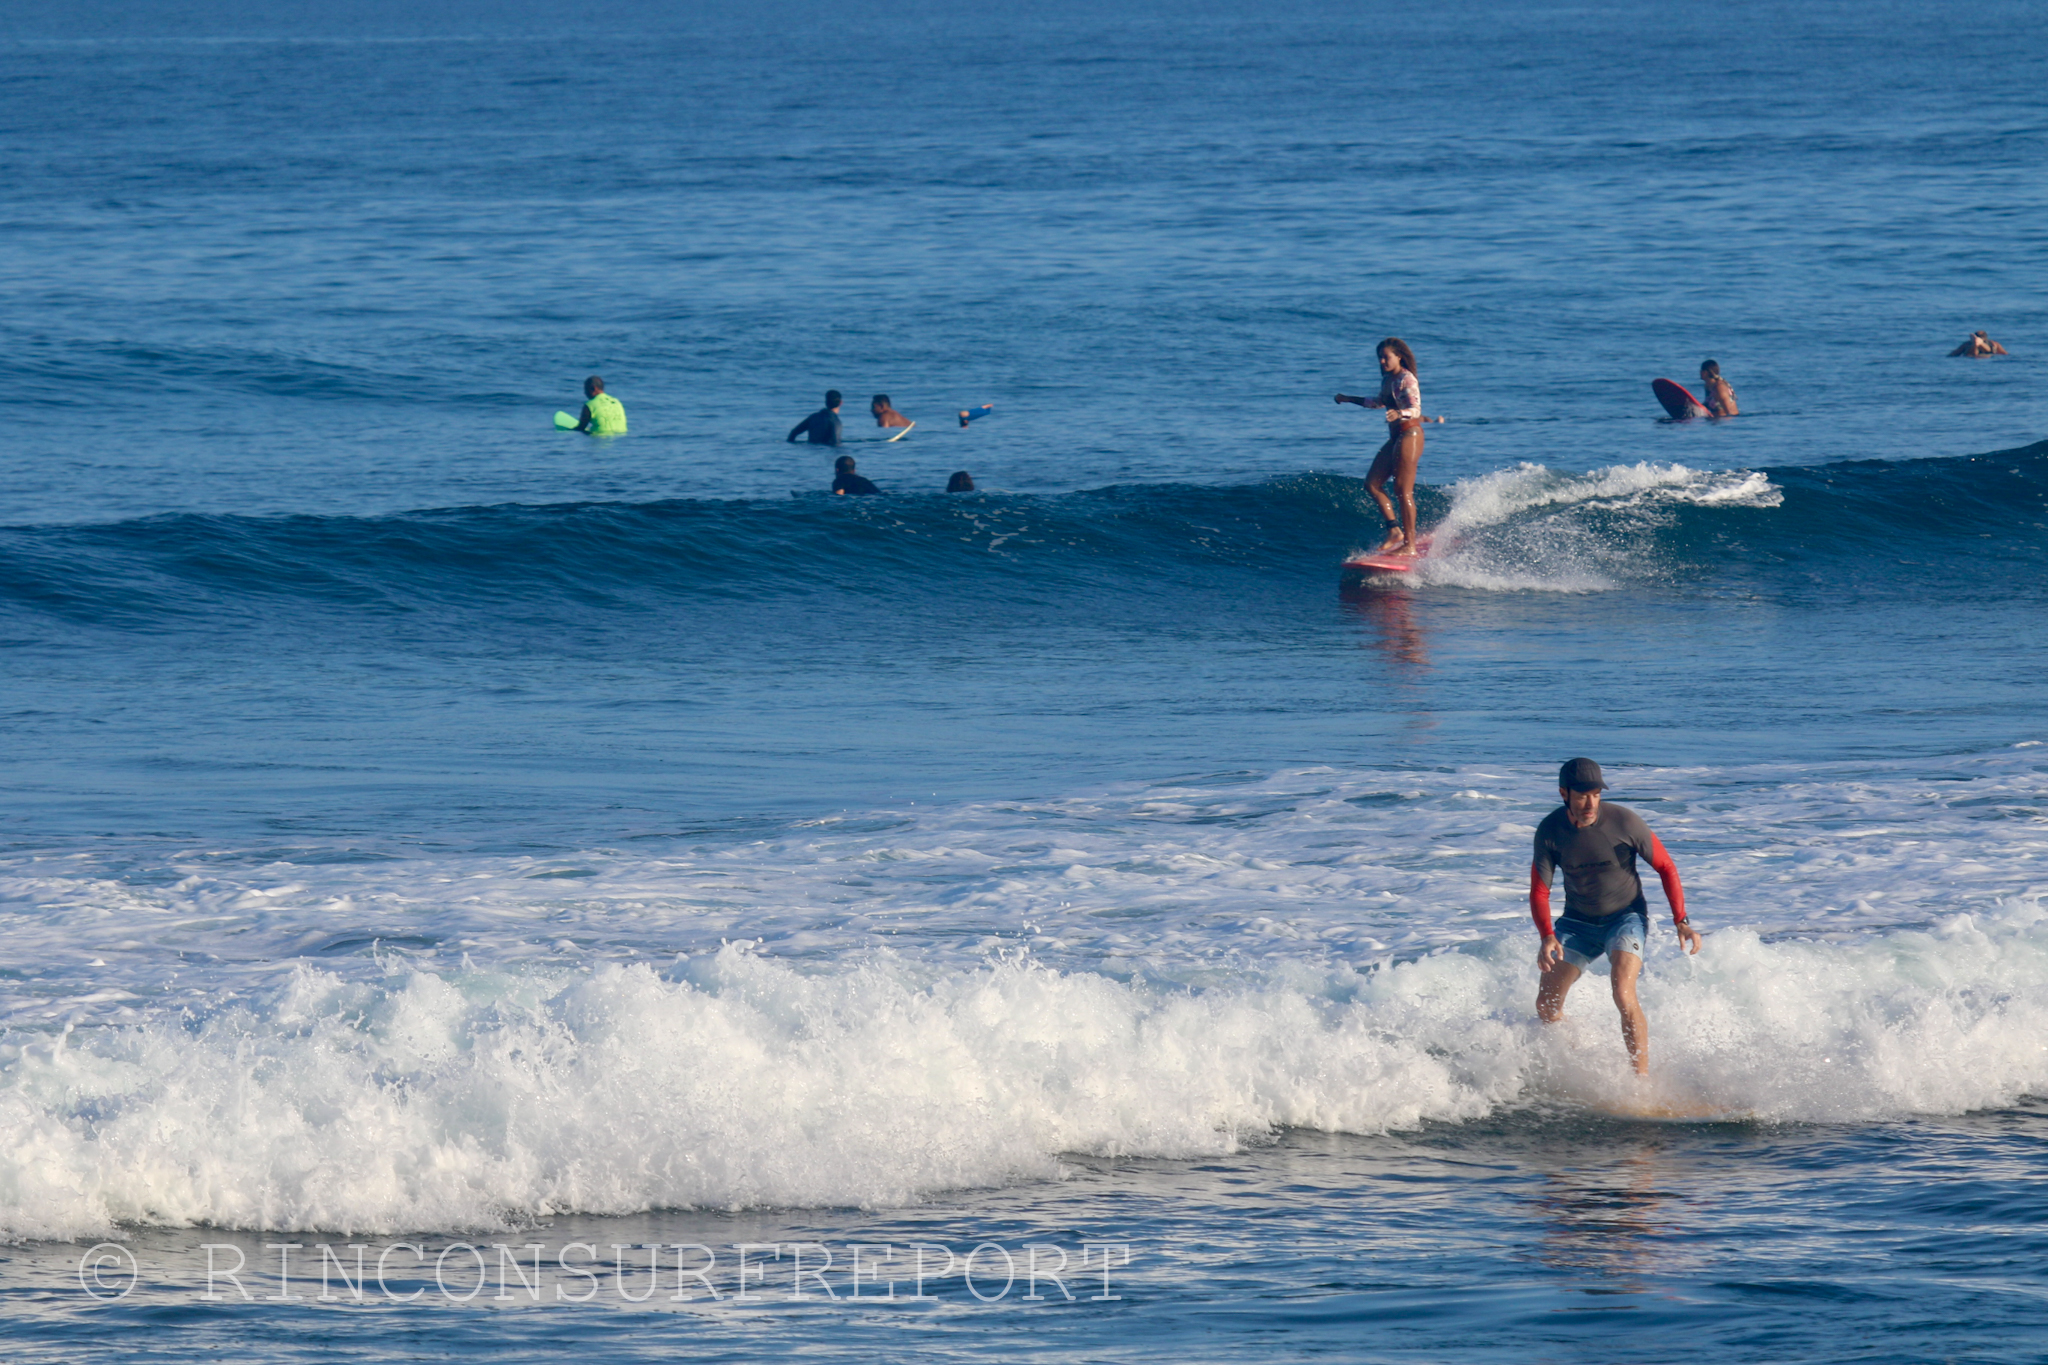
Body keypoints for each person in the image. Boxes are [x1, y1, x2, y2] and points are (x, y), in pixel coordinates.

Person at [1531, 758, 1702, 1076]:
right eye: (1581, 796)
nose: (1590, 803)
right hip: (1577, 923)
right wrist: (1547, 936)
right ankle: (1576, 1054)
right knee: (1546, 1005)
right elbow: (1540, 892)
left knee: (1623, 993)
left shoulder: (1624, 822)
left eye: (1595, 794)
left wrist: (1682, 920)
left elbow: (1666, 867)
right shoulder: (1550, 832)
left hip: (1625, 918)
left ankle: (1641, 1081)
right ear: (1563, 794)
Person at [1334, 338, 1425, 554]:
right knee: (1372, 484)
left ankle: (1410, 545)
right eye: (1380, 358)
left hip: (1410, 434)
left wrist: (1399, 413)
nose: (1382, 361)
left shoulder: (1407, 379)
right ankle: (1394, 531)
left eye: (1386, 357)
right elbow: (1377, 402)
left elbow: (1416, 409)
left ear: (1399, 356)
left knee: (1403, 491)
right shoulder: (1388, 379)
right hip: (1395, 437)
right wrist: (1349, 399)